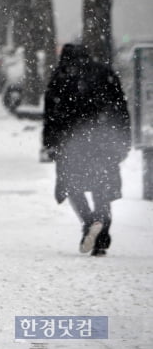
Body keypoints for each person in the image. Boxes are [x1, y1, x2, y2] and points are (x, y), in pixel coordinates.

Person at [42, 43, 131, 257]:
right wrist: (123, 139)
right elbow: (120, 108)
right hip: (103, 141)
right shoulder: (104, 74)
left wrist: (50, 143)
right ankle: (101, 229)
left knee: (72, 186)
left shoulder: (61, 78)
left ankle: (89, 222)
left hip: (71, 143)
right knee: (102, 187)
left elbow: (51, 114)